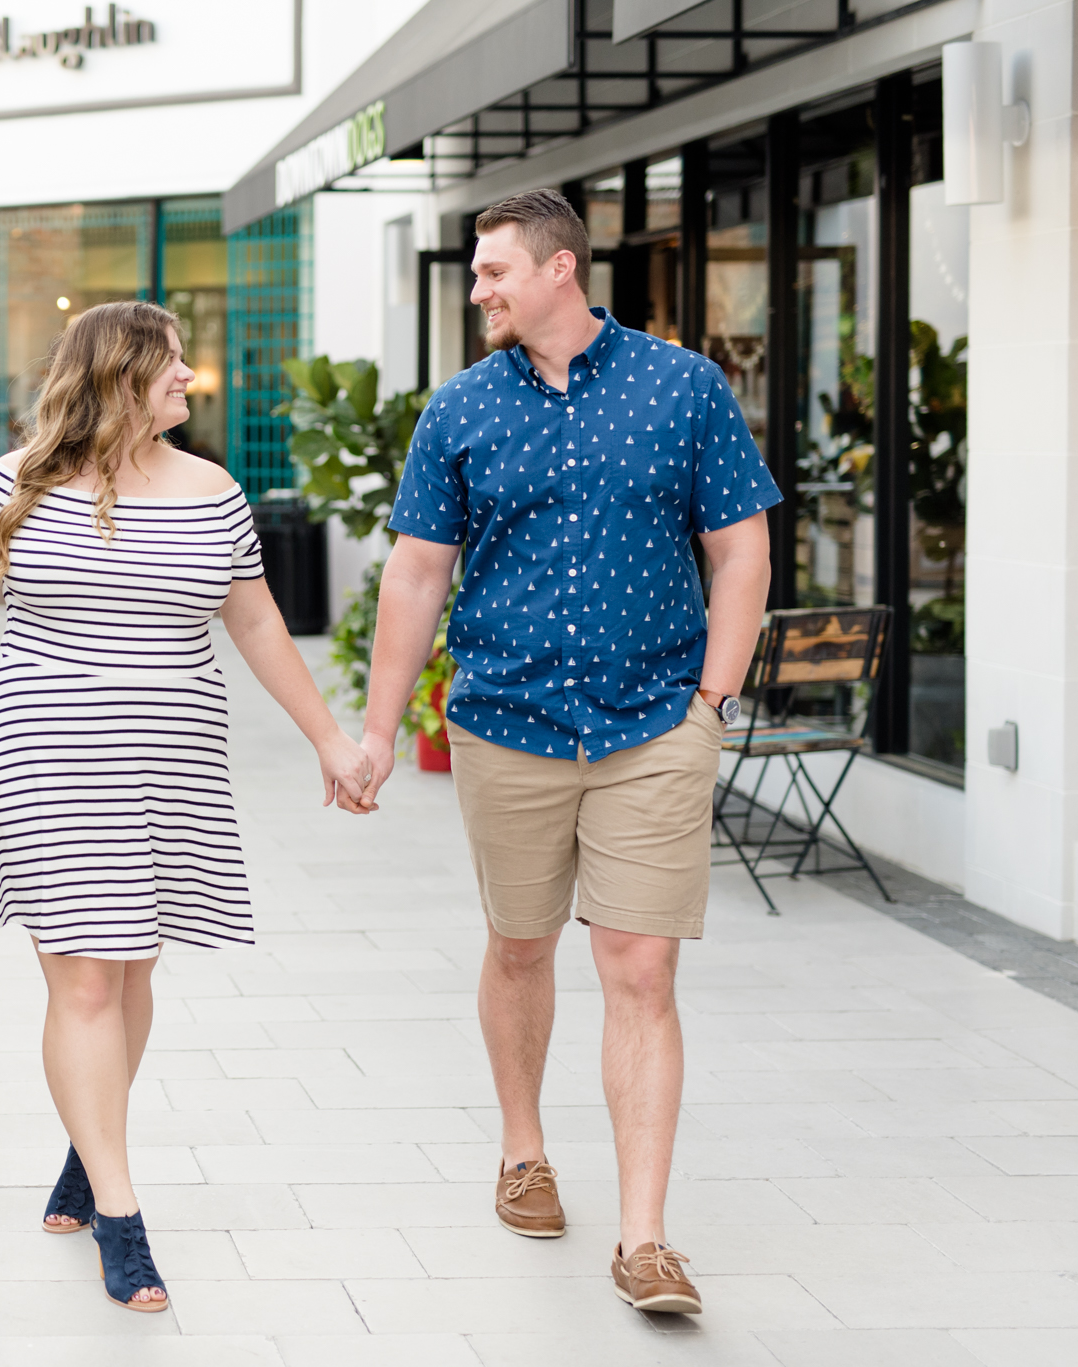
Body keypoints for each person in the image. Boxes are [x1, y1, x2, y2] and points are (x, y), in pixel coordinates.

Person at [0, 299, 374, 1313]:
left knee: (131, 967)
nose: (188, 377)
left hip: (169, 764)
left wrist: (330, 736)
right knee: (86, 984)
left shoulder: (213, 491)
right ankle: (120, 1211)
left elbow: (256, 620)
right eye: (170, 365)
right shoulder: (13, 484)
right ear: (115, 378)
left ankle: (83, 1142)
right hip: (46, 759)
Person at [357, 189, 779, 1315]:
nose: (479, 288)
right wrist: (376, 726)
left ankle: (643, 1238)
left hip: (653, 722)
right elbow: (413, 573)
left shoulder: (680, 386)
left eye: (494, 270)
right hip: (505, 722)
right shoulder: (458, 409)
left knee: (638, 966)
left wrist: (712, 700)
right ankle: (522, 1147)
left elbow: (741, 549)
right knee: (519, 946)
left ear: (558, 269)